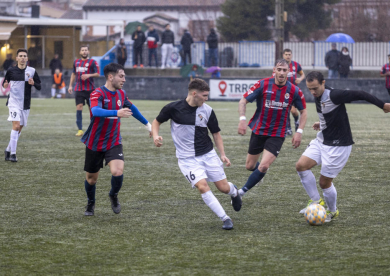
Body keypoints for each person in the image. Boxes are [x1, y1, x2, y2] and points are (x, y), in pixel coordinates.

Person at [296, 71, 390, 222]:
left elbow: (361, 93)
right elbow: (329, 114)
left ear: (323, 83)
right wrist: (321, 124)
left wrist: (382, 105)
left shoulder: (335, 95)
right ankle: (316, 201)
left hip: (339, 145)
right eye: (309, 89)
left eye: (315, 88)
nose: (312, 92)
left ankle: (332, 211)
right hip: (323, 139)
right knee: (301, 166)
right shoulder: (318, 95)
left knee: (324, 182)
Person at [152, 78, 242, 230]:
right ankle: (225, 218)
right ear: (194, 93)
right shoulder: (173, 108)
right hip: (187, 159)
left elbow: (216, 134)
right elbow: (156, 122)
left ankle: (234, 193)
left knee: (223, 188)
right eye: (204, 95)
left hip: (208, 154)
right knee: (202, 186)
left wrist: (223, 154)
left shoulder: (207, 110)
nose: (206, 99)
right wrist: (155, 136)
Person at [81, 63, 152, 216]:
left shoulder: (121, 94)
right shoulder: (97, 93)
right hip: (95, 142)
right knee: (91, 180)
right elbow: (95, 111)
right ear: (110, 76)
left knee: (118, 172)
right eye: (121, 76)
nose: (124, 79)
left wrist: (148, 125)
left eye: (124, 76)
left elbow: (133, 109)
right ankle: (91, 203)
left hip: (113, 141)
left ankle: (113, 195)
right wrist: (116, 112)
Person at [237, 59, 307, 197]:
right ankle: (259, 173)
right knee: (250, 166)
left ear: (288, 72)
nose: (281, 73)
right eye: (279, 69)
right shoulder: (263, 84)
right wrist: (242, 119)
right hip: (259, 129)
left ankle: (240, 192)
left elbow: (303, 111)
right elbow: (243, 100)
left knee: (263, 166)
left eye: (284, 70)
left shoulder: (294, 90)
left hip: (278, 133)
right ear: (274, 70)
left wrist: (299, 131)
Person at [3, 48, 41, 162]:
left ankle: (8, 149)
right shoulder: (11, 71)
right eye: (21, 56)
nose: (23, 58)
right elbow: (5, 83)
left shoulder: (32, 71)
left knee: (19, 128)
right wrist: (5, 85)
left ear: (27, 58)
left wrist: (33, 83)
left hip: (25, 103)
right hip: (14, 102)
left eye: (25, 56)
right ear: (17, 58)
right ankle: (13, 155)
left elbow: (39, 86)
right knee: (16, 125)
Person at [68, 45, 100, 137]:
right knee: (79, 107)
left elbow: (98, 74)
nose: (84, 52)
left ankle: (93, 129)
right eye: (82, 50)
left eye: (86, 50)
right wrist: (70, 85)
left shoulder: (93, 62)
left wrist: (88, 75)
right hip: (79, 89)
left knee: (92, 109)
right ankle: (80, 129)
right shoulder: (76, 62)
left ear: (88, 52)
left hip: (90, 89)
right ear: (80, 52)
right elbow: (73, 74)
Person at [282, 48, 305, 135]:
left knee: (293, 111)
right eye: (286, 54)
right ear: (283, 55)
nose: (288, 56)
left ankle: (296, 121)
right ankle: (288, 129)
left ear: (291, 55)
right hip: (284, 91)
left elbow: (302, 74)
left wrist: (300, 79)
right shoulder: (280, 65)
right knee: (286, 109)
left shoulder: (296, 64)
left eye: (289, 54)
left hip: (294, 91)